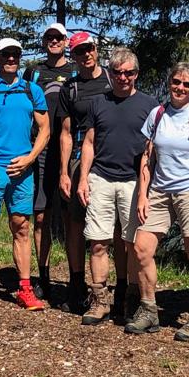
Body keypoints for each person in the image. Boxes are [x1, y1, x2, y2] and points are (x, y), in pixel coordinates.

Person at [126, 62, 189, 341]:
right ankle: (149, 309)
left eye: (187, 84)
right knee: (141, 248)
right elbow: (147, 157)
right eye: (176, 82)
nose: (180, 87)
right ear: (170, 83)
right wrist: (143, 194)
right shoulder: (157, 114)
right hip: (160, 190)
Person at [76, 47, 157, 325]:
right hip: (101, 177)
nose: (123, 77)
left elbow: (152, 149)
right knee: (98, 242)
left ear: (136, 74)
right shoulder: (98, 103)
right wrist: (83, 178)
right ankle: (99, 299)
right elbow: (88, 142)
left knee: (133, 243)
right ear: (110, 73)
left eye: (129, 73)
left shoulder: (149, 105)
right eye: (118, 72)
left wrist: (149, 186)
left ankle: (130, 297)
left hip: (134, 182)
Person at [0, 38, 50, 311]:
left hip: (22, 170)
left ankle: (25, 288)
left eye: (15, 54)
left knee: (22, 226)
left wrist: (30, 159)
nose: (11, 58)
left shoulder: (31, 90)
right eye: (6, 54)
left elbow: (45, 129)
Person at [58, 31, 112, 313]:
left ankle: (117, 287)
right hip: (80, 159)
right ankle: (77, 284)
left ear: (97, 49)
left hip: (112, 158)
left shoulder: (112, 80)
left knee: (112, 228)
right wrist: (65, 172)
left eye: (89, 49)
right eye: (79, 51)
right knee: (77, 226)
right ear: (74, 56)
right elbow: (66, 133)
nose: (86, 55)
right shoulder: (71, 88)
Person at [22, 22, 74, 300]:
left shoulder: (75, 69)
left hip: (69, 151)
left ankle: (74, 278)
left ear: (65, 41)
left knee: (69, 217)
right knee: (40, 217)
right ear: (44, 42)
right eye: (49, 37)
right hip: (40, 151)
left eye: (58, 38)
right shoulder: (34, 71)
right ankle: (42, 275)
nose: (54, 41)